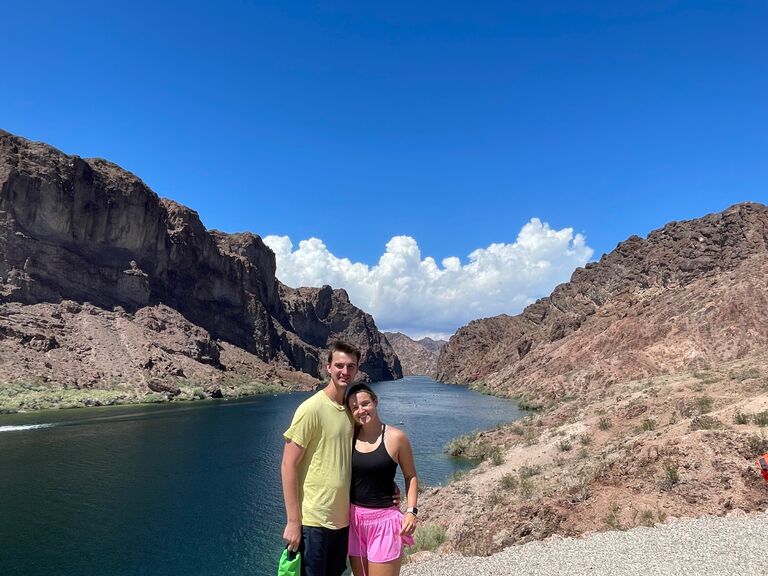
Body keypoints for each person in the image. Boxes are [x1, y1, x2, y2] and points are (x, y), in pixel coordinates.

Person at [281, 341, 360, 576]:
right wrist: (294, 522)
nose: (345, 372)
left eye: (351, 367)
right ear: (328, 367)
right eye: (339, 365)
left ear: (357, 370)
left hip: (341, 521)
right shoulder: (311, 409)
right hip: (314, 521)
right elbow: (288, 465)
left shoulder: (350, 411)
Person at [345, 382, 419, 576]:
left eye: (365, 403)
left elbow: (410, 476)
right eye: (354, 407)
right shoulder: (348, 438)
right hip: (353, 521)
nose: (361, 410)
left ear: (375, 402)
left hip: (383, 523)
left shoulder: (396, 438)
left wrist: (411, 511)